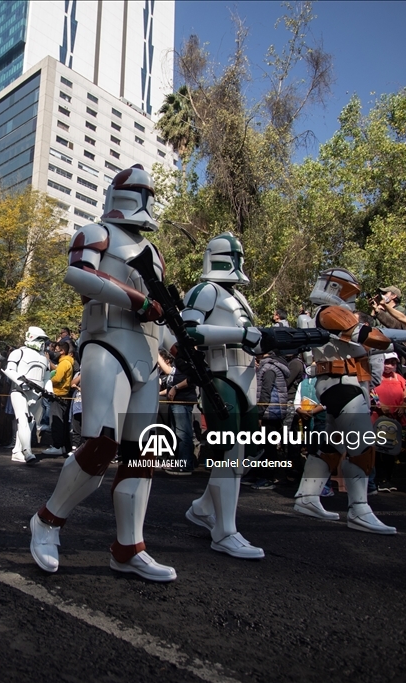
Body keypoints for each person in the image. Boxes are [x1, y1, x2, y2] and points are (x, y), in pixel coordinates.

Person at [30, 164, 176, 582]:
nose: (147, 199)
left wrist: (176, 342)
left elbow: (159, 314)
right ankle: (47, 520)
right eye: (143, 192)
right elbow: (77, 274)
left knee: (143, 454)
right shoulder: (96, 233)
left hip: (146, 356)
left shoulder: (154, 252)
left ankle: (128, 547)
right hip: (105, 343)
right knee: (101, 444)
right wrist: (137, 301)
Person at [176, 232, 267, 559]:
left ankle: (203, 508)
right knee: (229, 453)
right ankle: (224, 531)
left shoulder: (238, 298)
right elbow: (188, 331)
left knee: (238, 456)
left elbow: (251, 339)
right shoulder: (205, 291)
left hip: (245, 378)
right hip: (220, 376)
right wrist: (240, 334)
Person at [292, 268, 396, 534]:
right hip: (342, 384)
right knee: (362, 445)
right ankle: (359, 508)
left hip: (342, 385)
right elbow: (374, 339)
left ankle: (307, 496)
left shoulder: (328, 314)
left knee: (332, 445)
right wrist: (390, 337)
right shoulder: (331, 312)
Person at [3, 326, 51, 464]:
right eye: (39, 339)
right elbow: (10, 370)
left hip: (37, 393)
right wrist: (23, 383)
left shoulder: (43, 357)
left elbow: (46, 377)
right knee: (23, 419)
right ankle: (27, 451)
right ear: (30, 337)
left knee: (30, 422)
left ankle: (18, 451)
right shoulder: (19, 353)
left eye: (43, 340)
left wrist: (49, 392)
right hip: (20, 390)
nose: (42, 342)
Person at [42, 340, 75, 456]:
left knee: (56, 421)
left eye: (56, 351)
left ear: (62, 351)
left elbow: (58, 378)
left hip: (59, 395)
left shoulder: (64, 363)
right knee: (62, 422)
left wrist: (48, 382)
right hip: (62, 395)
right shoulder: (66, 362)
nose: (54, 352)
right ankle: (64, 446)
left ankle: (57, 445)